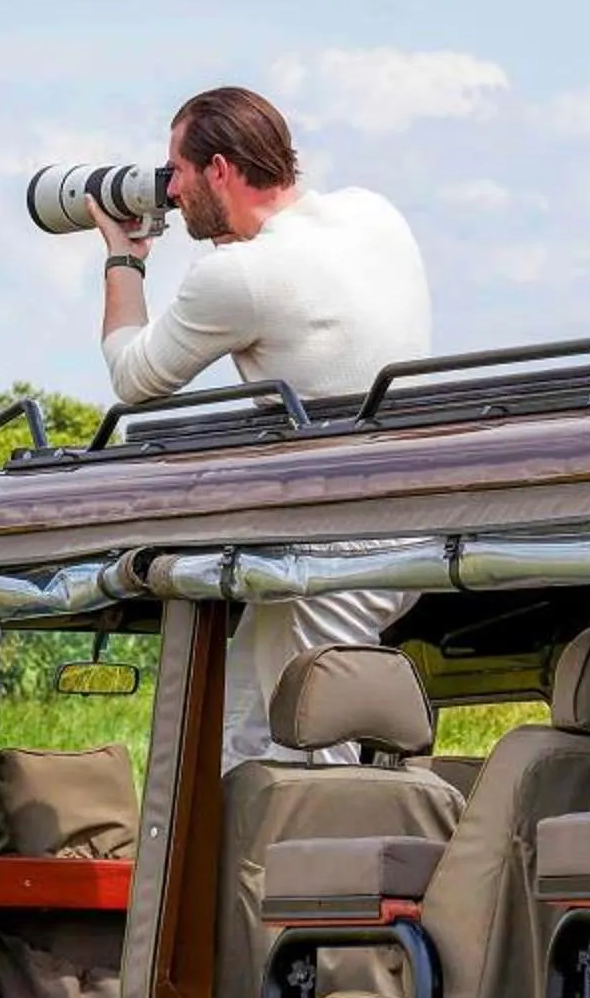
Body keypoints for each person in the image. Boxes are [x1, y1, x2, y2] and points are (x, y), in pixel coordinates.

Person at [93, 86, 432, 770]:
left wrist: (123, 257)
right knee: (236, 730)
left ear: (219, 170)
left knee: (315, 744)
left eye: (177, 172)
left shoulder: (239, 274)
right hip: (408, 518)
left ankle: (319, 872)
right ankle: (215, 864)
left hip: (334, 544)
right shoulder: (375, 213)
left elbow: (133, 379)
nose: (171, 191)